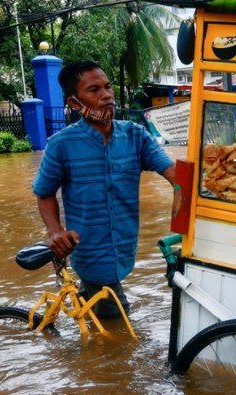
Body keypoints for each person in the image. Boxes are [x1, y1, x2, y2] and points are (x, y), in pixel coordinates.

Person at [31, 59, 176, 318]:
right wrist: (55, 231)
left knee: (97, 310)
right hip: (89, 249)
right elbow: (44, 193)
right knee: (119, 321)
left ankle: (86, 314)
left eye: (108, 87)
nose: (107, 95)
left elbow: (174, 174)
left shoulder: (136, 136)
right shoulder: (61, 144)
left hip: (124, 246)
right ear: (75, 103)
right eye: (94, 90)